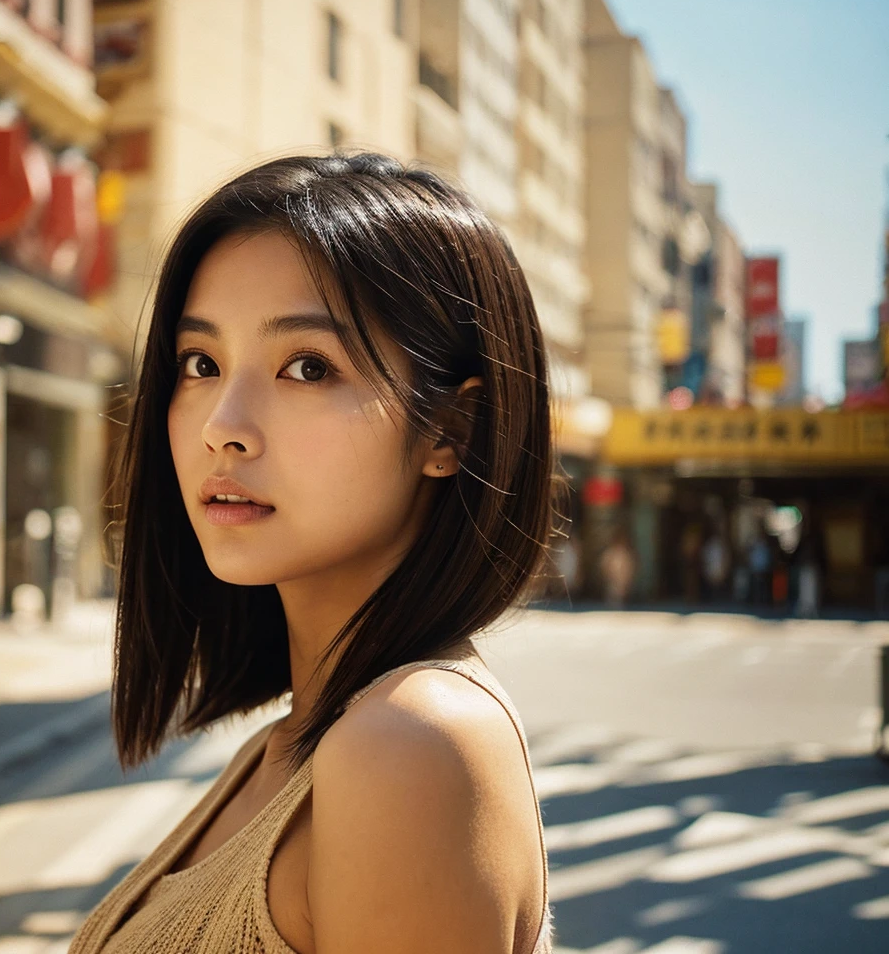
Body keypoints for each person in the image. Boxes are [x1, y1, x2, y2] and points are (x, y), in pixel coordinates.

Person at [67, 154, 554, 954]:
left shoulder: (409, 745)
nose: (223, 423)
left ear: (449, 432)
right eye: (201, 363)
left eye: (306, 367)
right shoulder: (297, 740)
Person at [599, 531, 635, 606]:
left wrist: (626, 583)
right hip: (612, 586)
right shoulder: (610, 554)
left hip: (625, 587)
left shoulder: (627, 554)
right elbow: (604, 569)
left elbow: (630, 571)